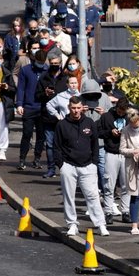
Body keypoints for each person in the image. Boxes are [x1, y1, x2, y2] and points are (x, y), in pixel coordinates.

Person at [53, 96, 109, 237]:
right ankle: (72, 224)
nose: (76, 111)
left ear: (82, 108)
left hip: (88, 165)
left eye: (78, 108)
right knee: (69, 196)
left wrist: (94, 163)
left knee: (93, 195)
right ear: (69, 108)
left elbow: (95, 144)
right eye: (73, 108)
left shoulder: (89, 123)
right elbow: (56, 147)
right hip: (68, 165)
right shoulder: (62, 125)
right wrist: (61, 165)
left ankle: (100, 224)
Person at [97, 97, 132, 223]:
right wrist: (110, 132)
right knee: (109, 184)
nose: (121, 114)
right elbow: (98, 131)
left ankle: (125, 211)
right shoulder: (106, 117)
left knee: (126, 184)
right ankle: (108, 211)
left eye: (123, 112)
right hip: (111, 152)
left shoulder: (130, 117)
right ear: (116, 107)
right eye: (119, 111)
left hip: (126, 153)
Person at [36, 52, 68, 178]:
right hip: (48, 117)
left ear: (61, 64)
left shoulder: (65, 79)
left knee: (64, 144)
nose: (54, 65)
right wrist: (45, 93)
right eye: (52, 63)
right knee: (49, 144)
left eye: (57, 63)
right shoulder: (44, 77)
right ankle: (51, 168)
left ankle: (64, 168)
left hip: (63, 117)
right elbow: (37, 96)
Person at [15, 48, 47, 170]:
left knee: (41, 135)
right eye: (39, 61)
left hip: (42, 107)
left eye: (43, 61)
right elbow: (21, 88)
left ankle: (37, 159)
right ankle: (22, 159)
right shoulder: (26, 70)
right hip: (29, 107)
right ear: (34, 59)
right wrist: (19, 104)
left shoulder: (47, 70)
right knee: (27, 133)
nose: (41, 63)